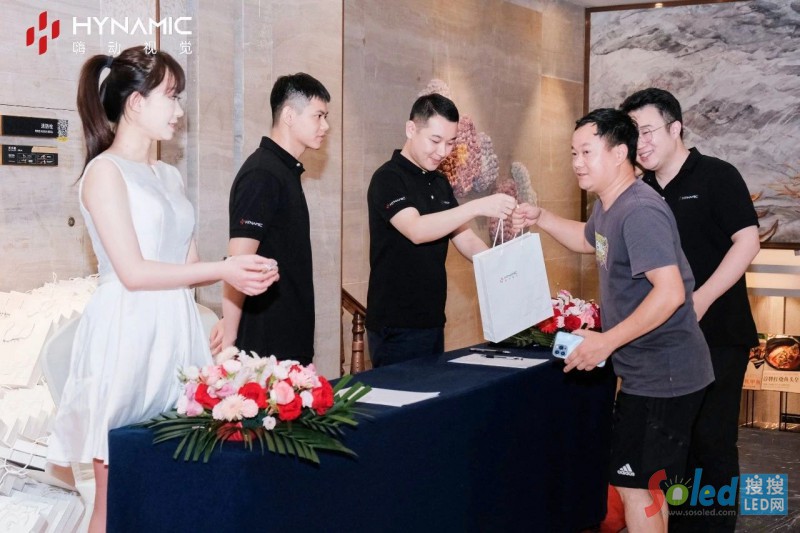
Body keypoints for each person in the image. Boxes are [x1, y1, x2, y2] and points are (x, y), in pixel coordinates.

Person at [46, 47, 277, 533]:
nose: (179, 110)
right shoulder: (104, 173)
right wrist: (225, 267)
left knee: (173, 483)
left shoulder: (168, 175)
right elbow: (133, 272)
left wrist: (238, 278)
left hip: (175, 329)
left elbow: (188, 266)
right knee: (115, 499)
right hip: (126, 331)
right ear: (135, 103)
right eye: (171, 97)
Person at [515, 108, 714, 532]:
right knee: (644, 487)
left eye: (587, 152)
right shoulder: (611, 206)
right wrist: (541, 218)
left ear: (620, 152)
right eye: (573, 153)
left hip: (664, 374)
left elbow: (670, 292)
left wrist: (607, 341)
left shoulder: (639, 210)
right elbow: (588, 240)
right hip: (651, 373)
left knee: (635, 488)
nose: (577, 162)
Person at [620, 88, 760, 532]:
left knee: (712, 441)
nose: (640, 143)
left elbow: (747, 242)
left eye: (647, 131)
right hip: (664, 344)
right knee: (670, 446)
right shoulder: (639, 191)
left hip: (718, 334)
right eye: (633, 134)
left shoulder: (717, 176)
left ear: (675, 128)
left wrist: (701, 298)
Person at [366, 93, 517, 368]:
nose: (443, 152)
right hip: (395, 325)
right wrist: (477, 206)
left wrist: (505, 267)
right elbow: (416, 230)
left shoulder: (439, 182)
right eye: (435, 140)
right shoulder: (388, 178)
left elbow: (465, 238)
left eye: (450, 143)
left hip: (432, 320)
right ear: (411, 129)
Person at [215, 73, 330, 366]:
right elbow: (238, 261)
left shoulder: (284, 170)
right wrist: (230, 333)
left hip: (290, 336)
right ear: (289, 115)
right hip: (266, 344)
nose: (325, 126)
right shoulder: (263, 173)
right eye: (318, 116)